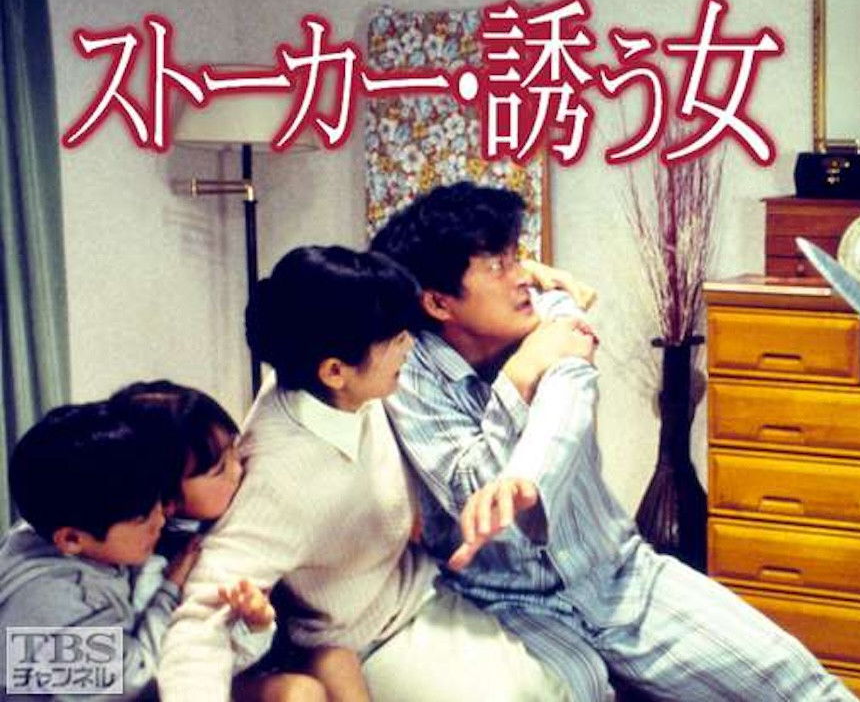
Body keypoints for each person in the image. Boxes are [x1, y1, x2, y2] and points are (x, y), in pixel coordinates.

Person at [371, 182, 855, 702]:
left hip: (619, 576)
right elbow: (469, 491)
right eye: (498, 265)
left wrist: (524, 476)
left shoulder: (551, 312)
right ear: (438, 302)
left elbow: (567, 399)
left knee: (796, 680)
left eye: (516, 255)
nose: (523, 275)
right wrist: (521, 373)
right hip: (507, 603)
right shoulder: (411, 370)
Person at [156, 245, 567, 701]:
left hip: (419, 589)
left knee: (548, 688)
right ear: (335, 371)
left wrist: (530, 276)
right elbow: (200, 622)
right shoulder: (278, 476)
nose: (410, 346)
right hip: (361, 638)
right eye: (396, 339)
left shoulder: (336, 376)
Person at [109, 380, 369, 701]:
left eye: (235, 448)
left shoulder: (236, 503)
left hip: (268, 644)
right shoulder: (166, 561)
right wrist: (253, 625)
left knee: (337, 657)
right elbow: (178, 658)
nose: (238, 468)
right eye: (220, 469)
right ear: (170, 499)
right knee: (299, 693)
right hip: (209, 672)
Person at [0, 402, 271, 701]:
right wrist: (170, 589)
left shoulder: (46, 525)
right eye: (142, 517)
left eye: (157, 502)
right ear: (71, 538)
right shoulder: (61, 602)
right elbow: (139, 678)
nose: (160, 519)